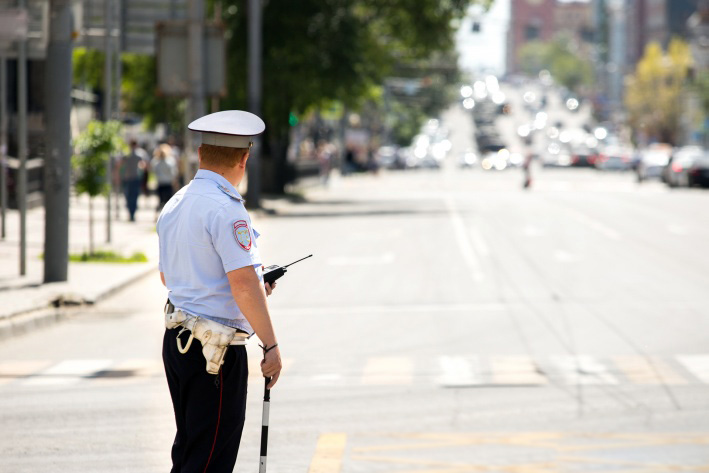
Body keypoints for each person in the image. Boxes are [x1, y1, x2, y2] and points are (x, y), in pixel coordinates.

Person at [157, 110, 282, 473]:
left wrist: (253, 287)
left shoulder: (175, 203)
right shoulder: (227, 210)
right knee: (210, 458)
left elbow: (170, 277)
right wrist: (271, 346)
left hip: (178, 341)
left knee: (190, 451)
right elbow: (242, 284)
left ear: (200, 154)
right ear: (244, 158)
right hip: (216, 351)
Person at [120, 140, 147, 221]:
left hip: (128, 178)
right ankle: (132, 213)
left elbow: (120, 165)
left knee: (129, 196)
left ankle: (131, 213)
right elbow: (144, 165)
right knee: (134, 196)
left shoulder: (126, 155)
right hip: (135, 178)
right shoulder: (139, 156)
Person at [151, 143, 178, 214]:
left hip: (160, 183)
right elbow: (173, 173)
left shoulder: (156, 162)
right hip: (168, 183)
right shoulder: (170, 161)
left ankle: (158, 214)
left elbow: (154, 171)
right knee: (169, 201)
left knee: (161, 201)